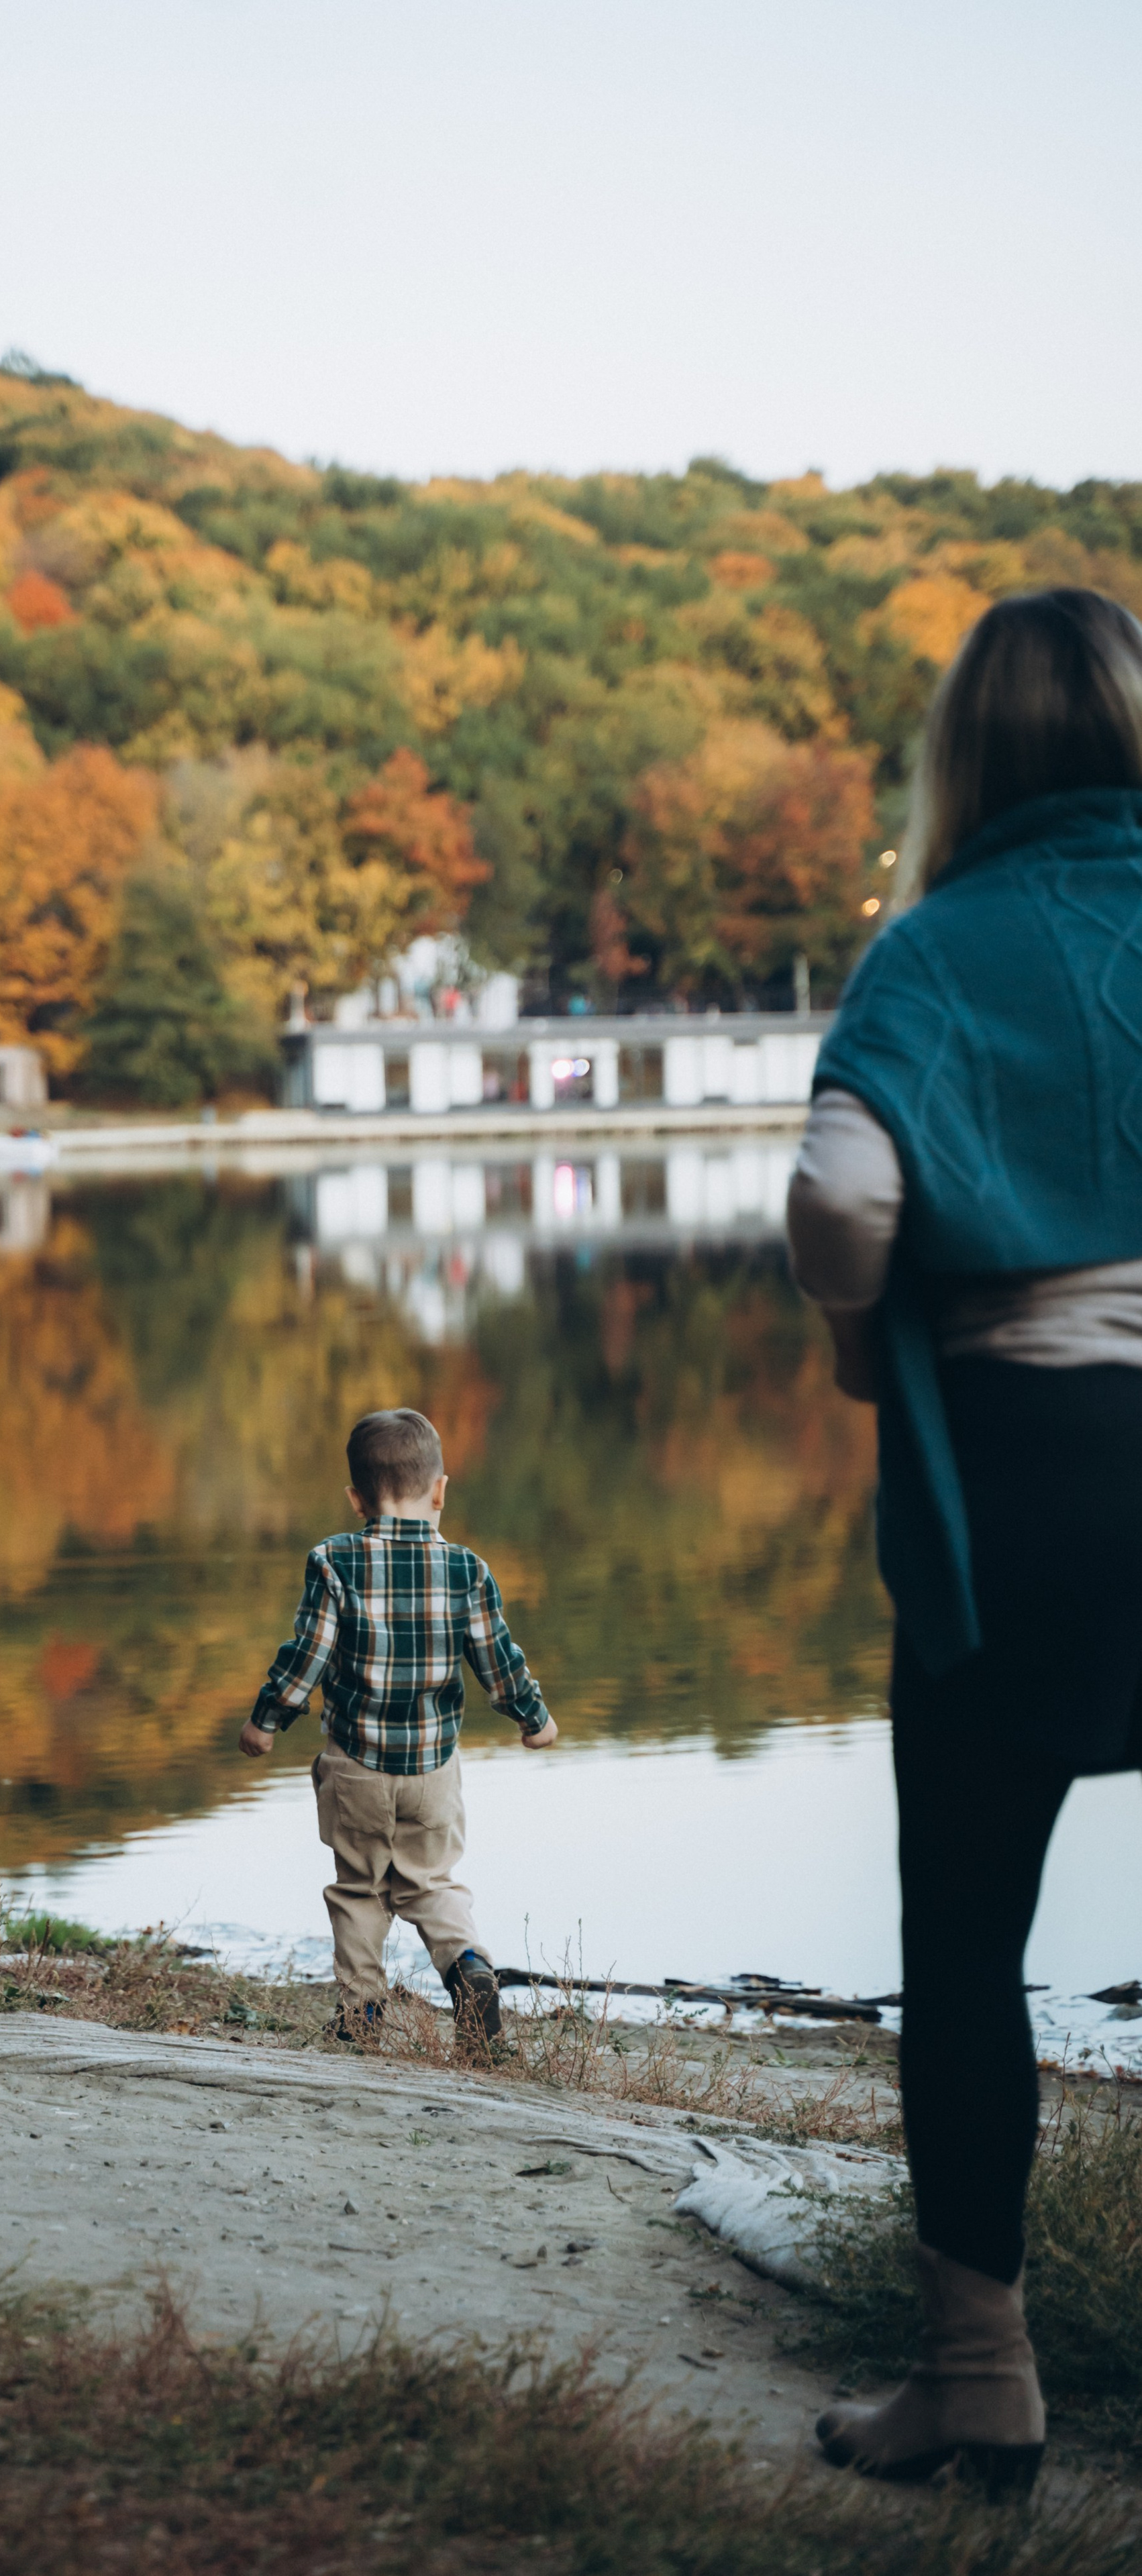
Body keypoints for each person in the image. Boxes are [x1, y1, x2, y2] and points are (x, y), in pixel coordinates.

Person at [787, 588, 1142, 2497]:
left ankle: (980, 2378)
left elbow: (843, 1204)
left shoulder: (927, 956)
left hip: (1018, 1489)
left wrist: (866, 1346)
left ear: (962, 762)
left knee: (970, 1942)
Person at [238, 1407, 558, 2045]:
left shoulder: (333, 1561)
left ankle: (361, 2013)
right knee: (433, 1883)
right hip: (434, 1770)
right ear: (440, 1490)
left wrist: (266, 1721)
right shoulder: (468, 1570)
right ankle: (469, 1969)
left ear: (356, 1499)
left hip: (355, 1765)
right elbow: (498, 1661)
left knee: (360, 1890)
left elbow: (309, 1654)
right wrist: (534, 1718)